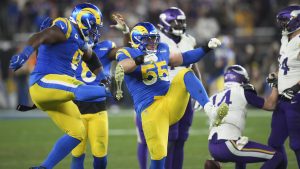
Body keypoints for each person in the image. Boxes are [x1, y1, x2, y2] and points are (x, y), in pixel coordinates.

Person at [9, 3, 111, 169]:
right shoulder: (66, 27)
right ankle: (109, 91)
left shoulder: (80, 40)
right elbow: (39, 36)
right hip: (43, 83)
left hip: (57, 93)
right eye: (94, 26)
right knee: (79, 88)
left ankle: (43, 168)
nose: (95, 31)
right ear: (83, 21)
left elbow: (91, 59)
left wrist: (102, 77)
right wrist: (24, 54)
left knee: (78, 132)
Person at [114, 21, 228, 169]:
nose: (153, 42)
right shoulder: (127, 53)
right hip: (151, 110)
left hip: (169, 101)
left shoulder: (162, 49)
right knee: (159, 160)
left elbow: (184, 59)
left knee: (185, 72)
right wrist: (140, 60)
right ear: (137, 40)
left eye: (154, 38)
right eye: (149, 39)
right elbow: (121, 67)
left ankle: (211, 110)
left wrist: (206, 48)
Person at [135, 7, 201, 169]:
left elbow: (192, 64)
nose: (179, 24)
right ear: (164, 23)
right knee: (166, 142)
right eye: (174, 21)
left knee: (180, 140)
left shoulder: (189, 40)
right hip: (163, 95)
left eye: (181, 21)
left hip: (184, 95)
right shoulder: (156, 39)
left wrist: (199, 89)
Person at [71, 13, 130, 169]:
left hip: (98, 110)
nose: (94, 32)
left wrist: (126, 32)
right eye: (91, 29)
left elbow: (127, 52)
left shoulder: (105, 48)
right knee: (77, 156)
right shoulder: (70, 48)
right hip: (75, 110)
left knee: (101, 158)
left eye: (94, 29)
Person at [206, 65, 283, 169]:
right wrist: (275, 84)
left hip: (212, 147)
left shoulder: (215, 96)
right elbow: (270, 105)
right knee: (277, 156)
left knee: (241, 153)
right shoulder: (242, 91)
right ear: (241, 78)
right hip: (228, 145)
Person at [268, 5, 300, 169]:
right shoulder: (285, 38)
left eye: (285, 21)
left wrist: (295, 89)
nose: (283, 25)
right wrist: (276, 78)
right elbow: (283, 66)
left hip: (297, 97)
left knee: (297, 143)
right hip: (283, 98)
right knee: (274, 142)